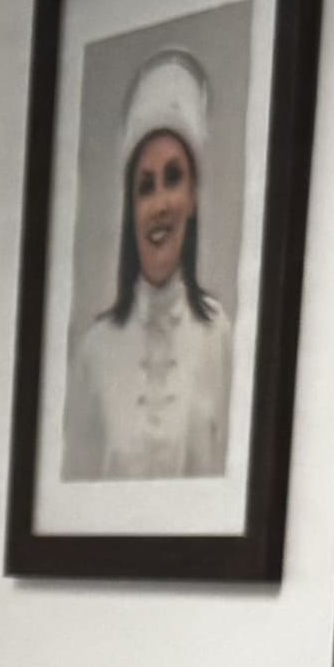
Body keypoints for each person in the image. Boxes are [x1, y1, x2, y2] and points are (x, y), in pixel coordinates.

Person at [61, 47, 232, 479]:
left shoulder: (220, 339)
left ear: (193, 198)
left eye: (173, 179)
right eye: (145, 186)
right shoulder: (94, 353)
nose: (159, 205)